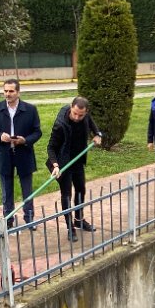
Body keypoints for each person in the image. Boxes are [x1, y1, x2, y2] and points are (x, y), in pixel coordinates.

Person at [0, 79, 43, 229]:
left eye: (11, 91)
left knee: (27, 190)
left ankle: (29, 219)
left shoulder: (30, 109)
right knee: (6, 191)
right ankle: (8, 219)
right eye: (5, 91)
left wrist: (25, 140)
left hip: (24, 154)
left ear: (18, 92)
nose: (8, 94)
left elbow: (37, 132)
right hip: (4, 155)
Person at [45, 97, 102, 242]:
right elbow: (51, 147)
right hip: (62, 163)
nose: (77, 117)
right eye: (74, 113)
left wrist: (97, 135)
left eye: (80, 115)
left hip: (77, 159)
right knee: (66, 195)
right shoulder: (60, 124)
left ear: (86, 112)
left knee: (81, 189)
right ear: (71, 107)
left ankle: (79, 219)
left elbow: (95, 130)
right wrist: (56, 165)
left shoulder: (86, 116)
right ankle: (70, 227)